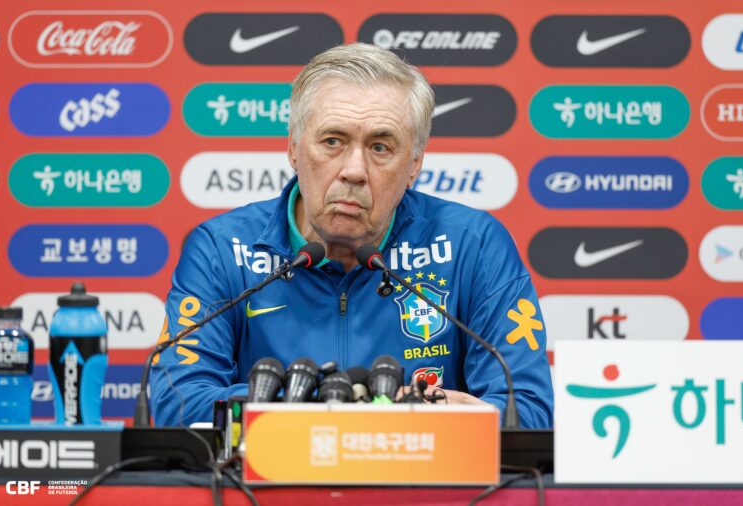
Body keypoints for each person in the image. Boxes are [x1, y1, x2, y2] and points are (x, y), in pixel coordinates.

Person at [150, 43, 553, 428]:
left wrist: (422, 414)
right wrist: (328, 404)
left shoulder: (473, 245)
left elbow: (530, 411)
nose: (354, 170)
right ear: (293, 148)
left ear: (414, 165)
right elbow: (178, 402)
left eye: (380, 147)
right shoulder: (222, 249)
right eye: (332, 141)